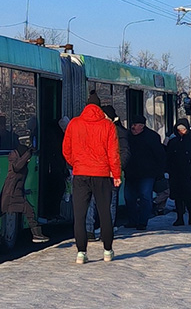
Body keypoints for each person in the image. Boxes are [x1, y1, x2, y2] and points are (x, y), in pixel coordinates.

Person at [63, 99, 121, 264]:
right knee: (104, 214)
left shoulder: (74, 124)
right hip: (102, 175)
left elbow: (66, 149)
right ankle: (107, 250)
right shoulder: (108, 125)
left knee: (80, 216)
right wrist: (116, 175)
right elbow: (113, 153)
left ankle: (81, 252)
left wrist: (76, 163)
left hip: (81, 174)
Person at [0, 140, 48, 242]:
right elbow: (17, 167)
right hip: (12, 191)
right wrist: (27, 155)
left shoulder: (17, 157)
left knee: (2, 211)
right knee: (27, 210)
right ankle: (36, 234)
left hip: (15, 190)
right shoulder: (14, 158)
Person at [86, 104, 129, 237]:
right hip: (98, 170)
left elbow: (124, 152)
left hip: (110, 172)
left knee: (109, 201)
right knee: (93, 200)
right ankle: (90, 229)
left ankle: (106, 229)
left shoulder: (118, 132)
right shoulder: (99, 130)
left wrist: (116, 169)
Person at [126, 117, 158, 229]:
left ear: (142, 126)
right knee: (129, 197)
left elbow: (159, 155)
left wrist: (159, 172)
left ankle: (142, 221)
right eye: (132, 125)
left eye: (136, 125)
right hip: (131, 172)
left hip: (147, 173)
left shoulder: (152, 137)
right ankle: (133, 220)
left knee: (145, 197)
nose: (133, 127)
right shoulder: (128, 136)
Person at [166, 118, 191, 226]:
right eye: (179, 129)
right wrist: (167, 171)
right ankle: (180, 217)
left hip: (187, 173)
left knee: (187, 196)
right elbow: (168, 157)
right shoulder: (173, 142)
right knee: (177, 196)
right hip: (175, 173)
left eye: (183, 129)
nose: (181, 131)